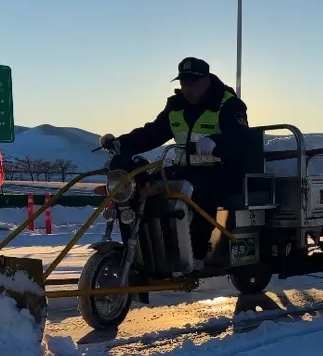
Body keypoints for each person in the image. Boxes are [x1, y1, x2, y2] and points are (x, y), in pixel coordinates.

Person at [99, 57, 250, 269]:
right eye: (183, 83)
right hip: (185, 170)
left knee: (199, 193)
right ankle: (149, 251)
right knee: (142, 184)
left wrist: (216, 142)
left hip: (222, 171)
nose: (187, 89)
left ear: (207, 79)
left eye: (192, 83)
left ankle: (196, 252)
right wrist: (122, 143)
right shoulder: (176, 106)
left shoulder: (228, 104)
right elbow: (153, 133)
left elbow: (242, 140)